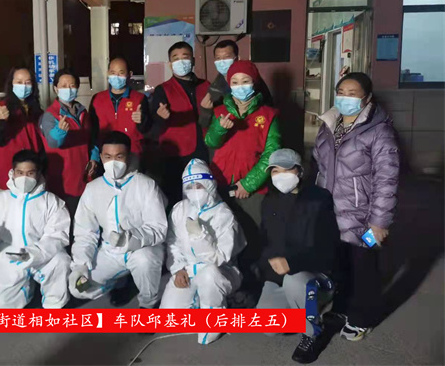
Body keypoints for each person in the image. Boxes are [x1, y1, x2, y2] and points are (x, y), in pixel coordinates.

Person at [313, 72, 399, 342]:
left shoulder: (379, 131)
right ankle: (342, 308)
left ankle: (363, 318)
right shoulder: (329, 125)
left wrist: (380, 222)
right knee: (340, 265)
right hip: (331, 212)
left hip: (364, 217)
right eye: (341, 92)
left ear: (367, 98)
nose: (345, 98)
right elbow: (319, 168)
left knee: (364, 269)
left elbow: (387, 179)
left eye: (352, 93)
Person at [256, 149, 340, 363]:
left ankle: (313, 333)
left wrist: (292, 263)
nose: (280, 175)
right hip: (279, 277)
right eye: (275, 171)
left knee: (294, 280)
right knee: (267, 325)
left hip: (314, 274)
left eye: (287, 169)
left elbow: (327, 248)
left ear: (300, 171)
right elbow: (265, 242)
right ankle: (302, 308)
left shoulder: (319, 199)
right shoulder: (269, 202)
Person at [68, 131, 167, 308]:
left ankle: (148, 303)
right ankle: (119, 282)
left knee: (145, 262)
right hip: (110, 252)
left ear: (128, 156)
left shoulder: (145, 185)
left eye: (119, 157)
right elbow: (85, 233)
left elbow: (158, 228)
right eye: (108, 157)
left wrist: (130, 238)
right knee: (78, 288)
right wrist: (81, 265)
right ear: (101, 157)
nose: (113, 162)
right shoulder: (93, 189)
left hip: (142, 249)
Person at [204, 60, 281, 277]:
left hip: (252, 190)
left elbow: (272, 154)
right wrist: (219, 128)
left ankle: (249, 282)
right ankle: (223, 279)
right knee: (220, 234)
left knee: (251, 235)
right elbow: (210, 141)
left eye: (245, 81)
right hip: (220, 185)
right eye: (235, 82)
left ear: (254, 83)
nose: (240, 86)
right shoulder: (220, 111)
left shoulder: (269, 115)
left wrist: (248, 184)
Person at [0, 149, 71, 309]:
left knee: (61, 261)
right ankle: (25, 290)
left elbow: (57, 236)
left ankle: (53, 304)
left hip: (41, 255)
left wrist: (34, 254)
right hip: (9, 255)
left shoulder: (51, 202)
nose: (24, 178)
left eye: (30, 173)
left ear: (38, 174)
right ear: (13, 173)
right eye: (20, 172)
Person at [160, 159, 245, 345]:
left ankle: (216, 314)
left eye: (199, 185)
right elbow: (172, 243)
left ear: (209, 185)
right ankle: (202, 300)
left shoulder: (224, 215)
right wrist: (178, 268)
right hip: (189, 269)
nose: (194, 190)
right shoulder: (179, 209)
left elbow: (220, 258)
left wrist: (200, 237)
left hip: (221, 272)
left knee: (208, 275)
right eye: (189, 186)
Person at [150, 42, 210, 206]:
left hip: (204, 149)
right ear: (170, 64)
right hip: (177, 155)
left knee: (204, 194)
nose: (180, 61)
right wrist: (161, 117)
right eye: (175, 58)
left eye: (185, 57)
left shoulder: (206, 86)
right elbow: (153, 125)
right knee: (176, 198)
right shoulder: (163, 89)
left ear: (193, 60)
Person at [39, 68, 99, 215]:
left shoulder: (83, 112)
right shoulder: (50, 115)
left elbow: (90, 140)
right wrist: (59, 131)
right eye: (64, 86)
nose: (69, 89)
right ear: (56, 89)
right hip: (63, 182)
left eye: (72, 85)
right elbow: (52, 143)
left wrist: (94, 157)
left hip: (84, 178)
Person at [89, 56, 151, 171]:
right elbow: (93, 131)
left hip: (132, 156)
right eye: (113, 73)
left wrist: (142, 121)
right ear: (108, 74)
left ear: (129, 74)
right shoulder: (97, 99)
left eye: (121, 73)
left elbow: (148, 130)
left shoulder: (139, 99)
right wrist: (94, 156)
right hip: (106, 156)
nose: (116, 76)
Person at [0, 67, 43, 190]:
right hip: (9, 178)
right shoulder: (2, 108)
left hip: (32, 175)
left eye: (28, 82)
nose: (24, 86)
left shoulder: (36, 110)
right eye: (19, 82)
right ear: (11, 84)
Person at [198, 39, 239, 131]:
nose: (222, 61)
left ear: (236, 58)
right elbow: (204, 124)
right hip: (224, 135)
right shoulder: (213, 88)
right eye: (218, 58)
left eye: (226, 57)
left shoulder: (250, 82)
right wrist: (205, 111)